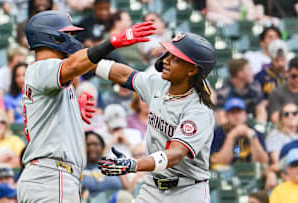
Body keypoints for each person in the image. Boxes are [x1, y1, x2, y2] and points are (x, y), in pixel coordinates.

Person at [17, 10, 155, 202]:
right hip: (51, 176)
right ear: (52, 37)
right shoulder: (42, 67)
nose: (72, 38)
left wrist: (72, 109)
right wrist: (112, 43)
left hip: (50, 176)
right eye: (68, 33)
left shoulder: (46, 74)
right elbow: (72, 66)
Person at [94, 32, 216, 202]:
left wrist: (134, 165)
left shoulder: (198, 110)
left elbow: (176, 154)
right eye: (169, 54)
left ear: (193, 70)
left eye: (175, 59)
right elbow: (124, 75)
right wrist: (86, 60)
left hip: (187, 191)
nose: (165, 60)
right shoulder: (159, 83)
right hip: (152, 187)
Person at [210, 98, 268, 168]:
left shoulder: (256, 133)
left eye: (239, 112)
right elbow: (218, 163)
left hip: (250, 173)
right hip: (226, 176)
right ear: (226, 116)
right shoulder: (218, 134)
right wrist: (231, 136)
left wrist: (253, 138)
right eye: (232, 112)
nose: (236, 116)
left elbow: (263, 163)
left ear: (245, 115)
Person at [216, 58, 266, 125]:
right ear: (240, 73)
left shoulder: (255, 87)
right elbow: (221, 118)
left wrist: (259, 128)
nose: (252, 73)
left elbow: (261, 111)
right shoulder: (223, 92)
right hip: (231, 128)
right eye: (249, 69)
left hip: (252, 125)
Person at [82, 131, 123, 197]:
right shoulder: (78, 169)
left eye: (95, 144)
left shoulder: (114, 165)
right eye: (87, 145)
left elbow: (128, 189)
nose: (91, 148)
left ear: (103, 147)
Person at [268, 56, 298, 123]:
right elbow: (275, 117)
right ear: (287, 73)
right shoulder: (276, 92)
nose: (297, 79)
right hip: (285, 129)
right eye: (294, 76)